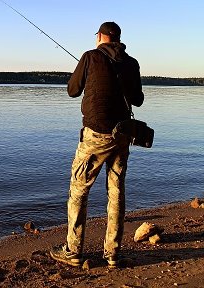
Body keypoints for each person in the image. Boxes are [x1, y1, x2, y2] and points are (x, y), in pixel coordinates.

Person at [50, 21, 144, 268]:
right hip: (122, 136)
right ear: (118, 38)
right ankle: (112, 253)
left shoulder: (90, 57)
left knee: (79, 190)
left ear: (101, 37)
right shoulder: (132, 63)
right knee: (116, 192)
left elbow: (72, 90)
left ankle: (73, 251)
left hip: (95, 135)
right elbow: (139, 100)